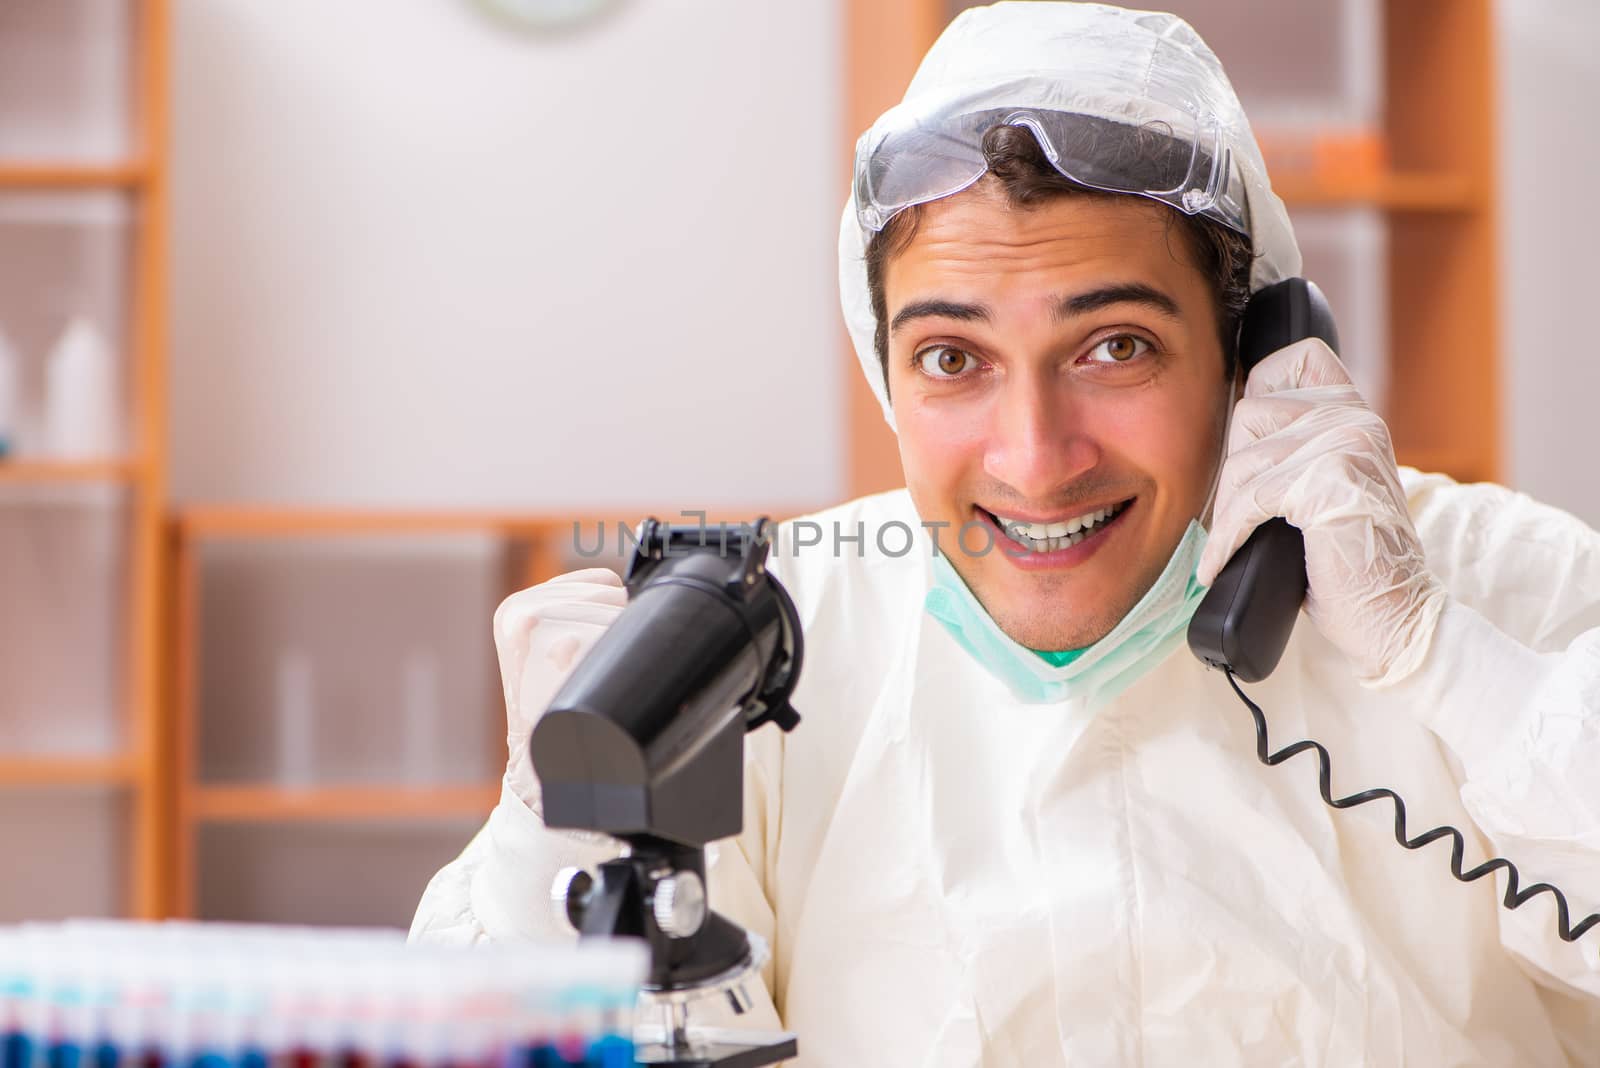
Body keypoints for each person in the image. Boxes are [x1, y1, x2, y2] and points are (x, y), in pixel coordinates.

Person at [411, 3, 1600, 1062]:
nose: (1034, 457)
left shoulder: (1492, 586)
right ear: (887, 380)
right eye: (951, 360)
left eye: (1113, 346)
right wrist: (549, 846)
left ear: (1256, 357)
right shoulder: (764, 646)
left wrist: (1436, 659)